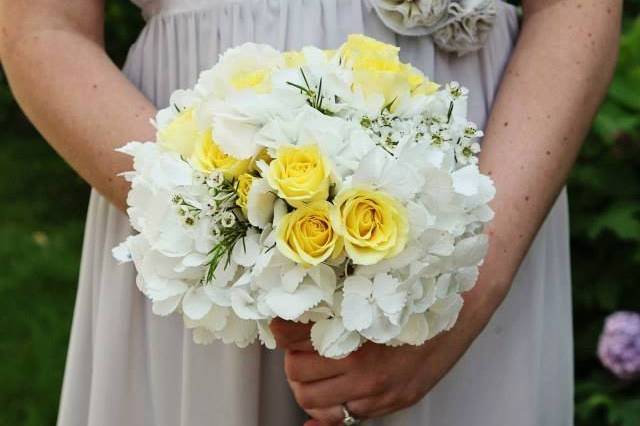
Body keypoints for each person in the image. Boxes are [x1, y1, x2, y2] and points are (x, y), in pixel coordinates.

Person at [0, 0, 621, 425]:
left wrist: (464, 286)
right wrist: (226, 231)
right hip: (197, 161)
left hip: (477, 182)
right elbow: (42, 27)